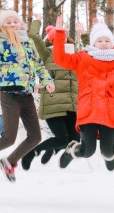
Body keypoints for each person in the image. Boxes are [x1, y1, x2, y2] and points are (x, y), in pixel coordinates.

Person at [53, 15, 114, 171]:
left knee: (107, 152)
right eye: (99, 41)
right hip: (88, 110)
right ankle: (71, 151)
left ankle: (109, 155)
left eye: (107, 41)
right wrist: (60, 32)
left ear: (112, 43)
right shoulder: (83, 58)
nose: (103, 44)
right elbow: (60, 59)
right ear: (93, 42)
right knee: (87, 152)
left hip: (109, 112)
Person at [0, 10, 54, 182]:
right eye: (8, 22)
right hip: (9, 94)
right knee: (9, 138)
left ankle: (9, 161)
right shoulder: (1, 42)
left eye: (15, 21)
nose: (12, 25)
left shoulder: (28, 42)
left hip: (26, 95)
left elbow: (39, 65)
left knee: (35, 137)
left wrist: (47, 80)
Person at [21, 17, 79, 170]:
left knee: (74, 140)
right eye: (57, 38)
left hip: (71, 106)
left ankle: (53, 149)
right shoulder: (47, 55)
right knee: (62, 139)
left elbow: (88, 51)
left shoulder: (74, 56)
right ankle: (32, 152)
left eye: (64, 37)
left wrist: (82, 34)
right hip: (53, 104)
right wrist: (37, 21)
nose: (62, 40)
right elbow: (34, 37)